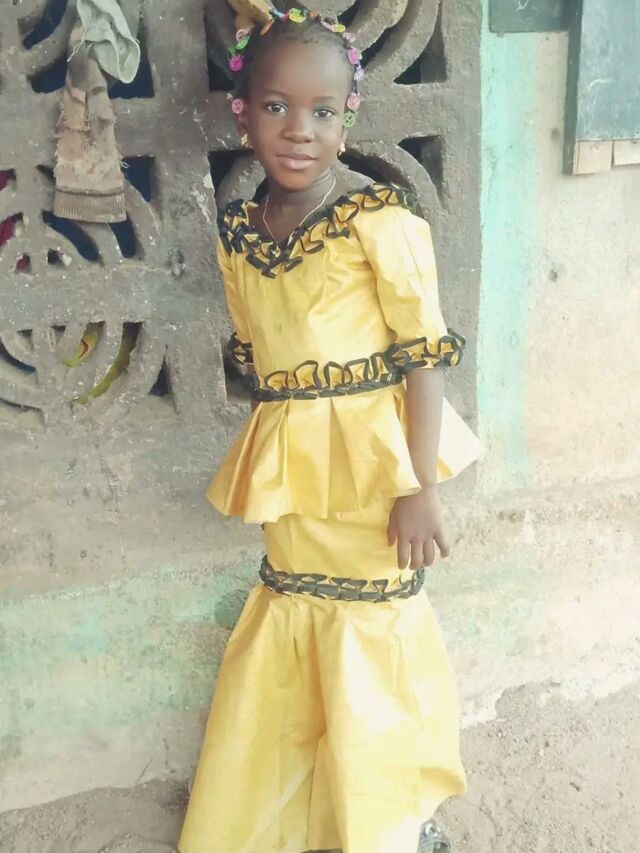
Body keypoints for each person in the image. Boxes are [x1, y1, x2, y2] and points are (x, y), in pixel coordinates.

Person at [179, 6, 479, 853]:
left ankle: (389, 822)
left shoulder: (382, 222)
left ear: (348, 118)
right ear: (242, 113)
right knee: (295, 617)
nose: (298, 131)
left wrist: (420, 488)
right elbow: (259, 354)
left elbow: (422, 359)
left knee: (375, 635)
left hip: (379, 477)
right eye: (276, 107)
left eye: (321, 111)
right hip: (296, 478)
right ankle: (302, 814)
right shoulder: (240, 234)